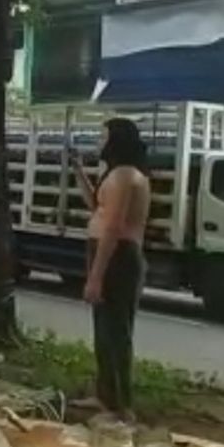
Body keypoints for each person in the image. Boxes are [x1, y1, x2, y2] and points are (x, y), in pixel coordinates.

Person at [72, 119, 151, 419]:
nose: (98, 142)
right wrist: (79, 170)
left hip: (117, 255)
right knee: (104, 330)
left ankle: (120, 403)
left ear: (116, 141)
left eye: (102, 137)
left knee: (116, 331)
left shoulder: (125, 177)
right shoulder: (116, 175)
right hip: (110, 253)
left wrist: (96, 276)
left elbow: (114, 227)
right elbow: (97, 207)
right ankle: (106, 396)